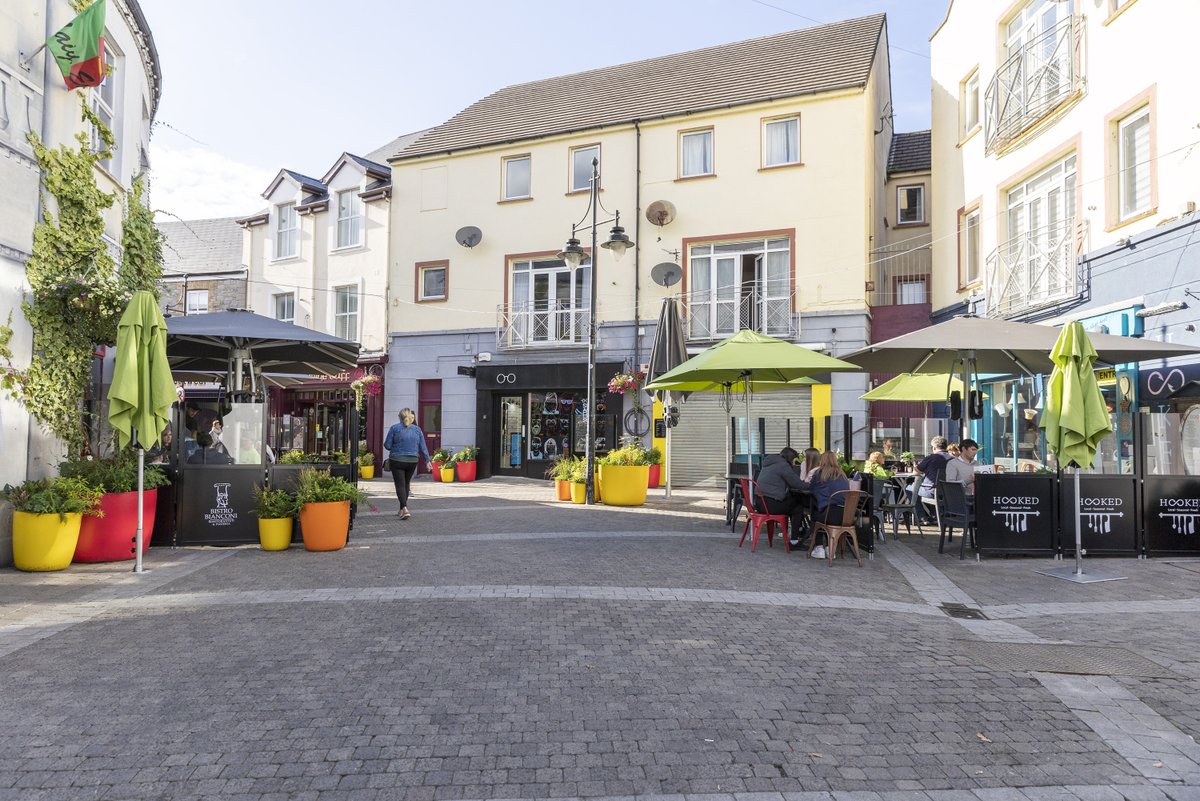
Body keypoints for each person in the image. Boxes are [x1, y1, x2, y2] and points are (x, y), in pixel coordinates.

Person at [753, 446, 811, 547]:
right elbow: (797, 484)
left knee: (792, 501)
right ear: (791, 458)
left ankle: (798, 530)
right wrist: (814, 486)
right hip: (770, 505)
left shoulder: (769, 463)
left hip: (760, 503)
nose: (795, 463)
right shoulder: (783, 466)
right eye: (794, 461)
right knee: (798, 507)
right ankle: (794, 541)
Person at [384, 407, 430, 520]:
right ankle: (401, 509)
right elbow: (423, 447)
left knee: (400, 485)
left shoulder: (394, 428)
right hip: (412, 461)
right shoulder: (417, 430)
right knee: (406, 484)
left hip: (397, 460)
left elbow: (387, 445)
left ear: (400, 417)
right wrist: (427, 461)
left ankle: (404, 508)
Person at [807, 451, 851, 557]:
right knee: (825, 510)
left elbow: (811, 489)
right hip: (845, 516)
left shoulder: (819, 473)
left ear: (821, 460)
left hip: (828, 515)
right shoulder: (842, 474)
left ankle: (819, 548)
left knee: (816, 513)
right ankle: (829, 548)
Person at [912, 436, 952, 522]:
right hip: (949, 492)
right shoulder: (953, 459)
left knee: (910, 488)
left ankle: (921, 516)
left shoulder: (931, 458)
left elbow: (916, 472)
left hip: (932, 491)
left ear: (933, 447)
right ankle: (935, 515)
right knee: (931, 487)